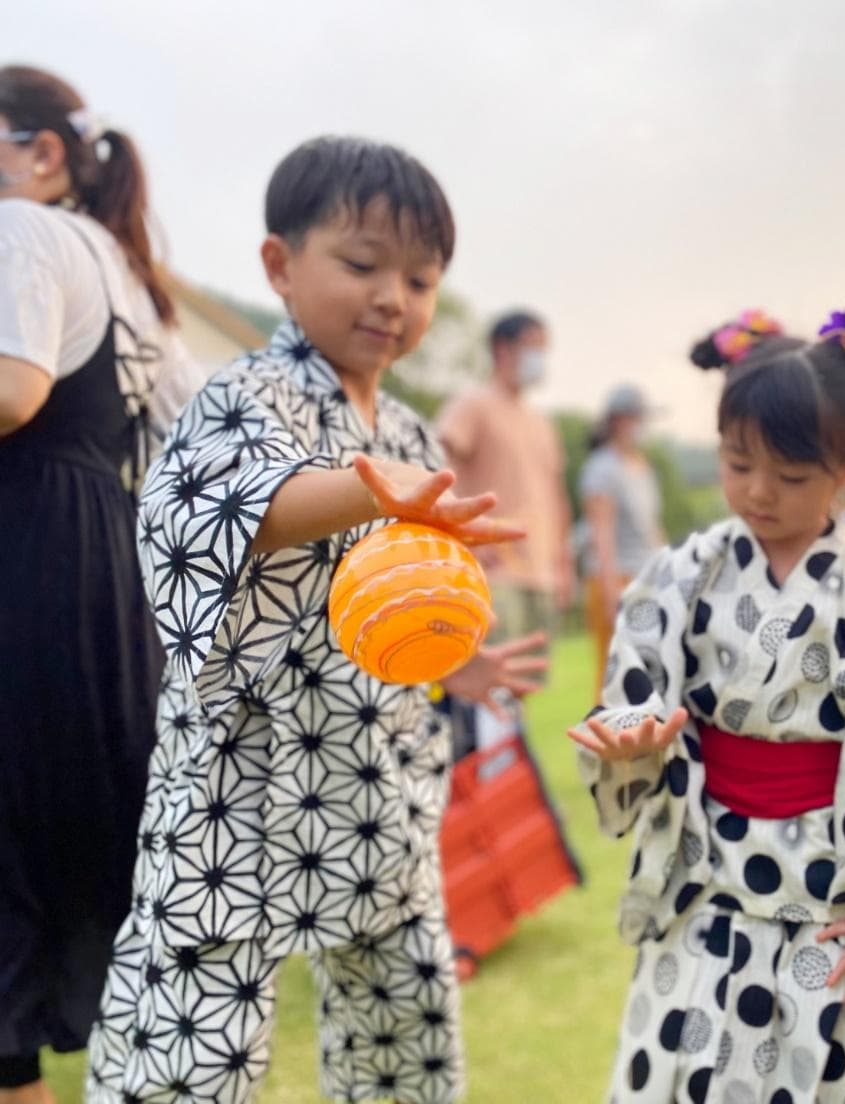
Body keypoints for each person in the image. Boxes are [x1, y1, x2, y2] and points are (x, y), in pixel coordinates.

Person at [87, 136, 544, 1104]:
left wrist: (452, 663)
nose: (393, 298)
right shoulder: (240, 395)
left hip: (372, 772)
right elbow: (217, 512)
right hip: (239, 782)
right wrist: (368, 492)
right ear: (279, 266)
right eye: (362, 264)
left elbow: (409, 598)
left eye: (420, 279)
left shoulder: (411, 433)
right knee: (187, 1045)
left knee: (399, 1034)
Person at [569, 304, 845, 1103]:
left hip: (825, 895)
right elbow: (635, 694)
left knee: (804, 1072)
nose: (759, 492)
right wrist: (632, 743)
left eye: (791, 477)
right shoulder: (680, 573)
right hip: (702, 878)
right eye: (736, 464)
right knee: (678, 1068)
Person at [0, 65, 196, 1104]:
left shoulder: (22, 231)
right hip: (106, 574)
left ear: (41, 154)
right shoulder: (128, 272)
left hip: (26, 558)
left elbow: (12, 390)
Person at [437, 308, 574, 645]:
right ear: (502, 348)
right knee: (492, 680)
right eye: (533, 346)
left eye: (545, 349)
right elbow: (433, 465)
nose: (540, 358)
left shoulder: (542, 422)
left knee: (522, 685)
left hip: (540, 574)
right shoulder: (472, 404)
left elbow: (555, 497)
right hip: (495, 571)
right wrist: (460, 533)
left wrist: (563, 563)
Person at [580, 383, 664, 684]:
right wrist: (609, 589)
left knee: (648, 672)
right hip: (618, 579)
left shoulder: (642, 466)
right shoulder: (602, 467)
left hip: (647, 578)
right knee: (615, 674)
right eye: (637, 418)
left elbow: (652, 529)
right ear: (618, 420)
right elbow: (601, 533)